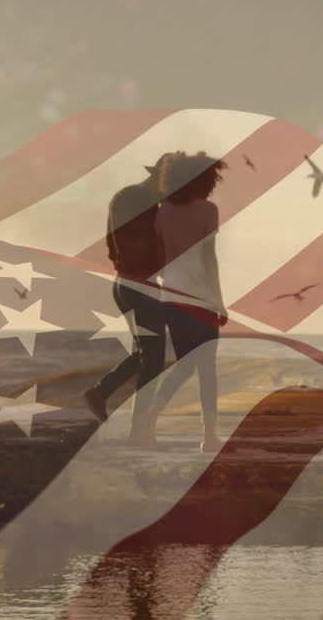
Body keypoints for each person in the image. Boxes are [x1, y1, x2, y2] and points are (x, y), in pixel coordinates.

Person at [132, 151, 229, 452]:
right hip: (200, 297)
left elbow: (159, 257)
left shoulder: (163, 211)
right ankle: (209, 436)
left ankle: (151, 416)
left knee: (187, 364)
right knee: (205, 367)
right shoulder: (208, 210)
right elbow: (208, 259)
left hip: (170, 296)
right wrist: (220, 301)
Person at [83, 154, 175, 444]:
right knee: (154, 357)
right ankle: (138, 430)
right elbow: (130, 240)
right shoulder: (134, 197)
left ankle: (101, 392)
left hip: (132, 281)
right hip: (137, 283)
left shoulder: (141, 199)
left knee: (144, 353)